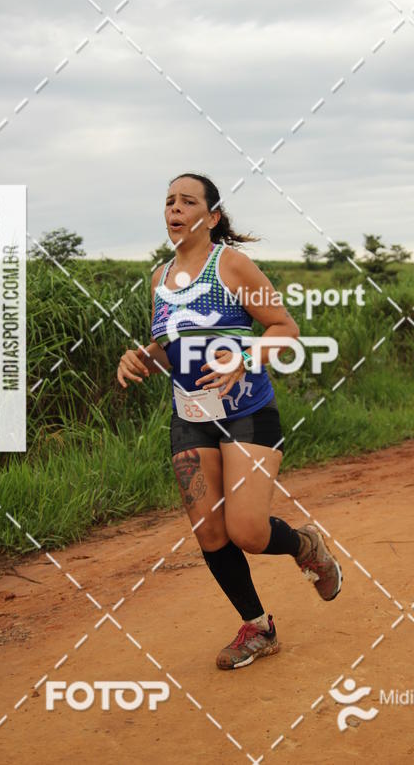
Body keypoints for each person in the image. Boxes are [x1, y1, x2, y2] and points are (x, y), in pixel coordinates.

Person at [117, 173, 342, 669]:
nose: (175, 208)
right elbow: (168, 348)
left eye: (187, 201)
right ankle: (257, 628)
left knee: (247, 531)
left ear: (212, 217)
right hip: (190, 417)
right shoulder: (159, 279)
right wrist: (140, 358)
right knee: (209, 533)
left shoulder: (232, 266)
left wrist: (247, 356)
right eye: (169, 201)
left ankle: (305, 544)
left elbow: (286, 328)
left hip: (247, 413)